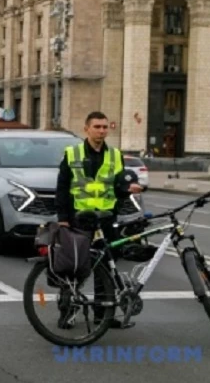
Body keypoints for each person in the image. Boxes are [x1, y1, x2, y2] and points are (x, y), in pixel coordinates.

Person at [55, 111, 144, 329]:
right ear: (86, 129)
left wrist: (127, 190)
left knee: (106, 267)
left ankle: (103, 315)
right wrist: (63, 219)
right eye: (97, 127)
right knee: (75, 267)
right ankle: (67, 312)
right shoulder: (72, 153)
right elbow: (63, 188)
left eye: (105, 127)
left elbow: (118, 188)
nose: (102, 131)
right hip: (79, 219)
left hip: (106, 219)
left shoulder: (115, 155)